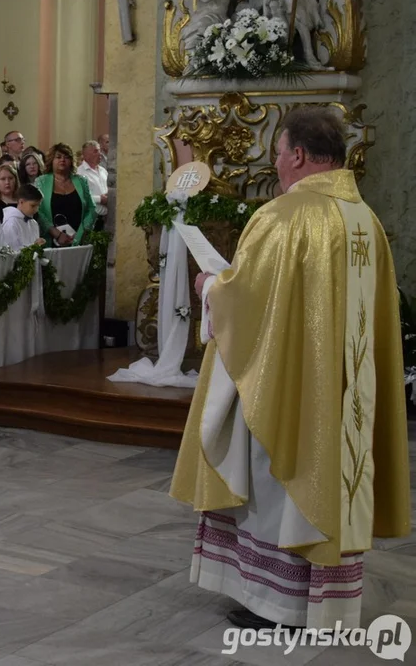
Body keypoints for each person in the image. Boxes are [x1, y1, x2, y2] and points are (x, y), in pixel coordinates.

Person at [170, 107, 411, 631]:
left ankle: (278, 605)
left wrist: (211, 288)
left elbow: (248, 303)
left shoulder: (283, 216)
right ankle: (326, 601)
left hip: (292, 393)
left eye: (278, 154)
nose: (277, 164)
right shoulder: (366, 222)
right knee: (337, 476)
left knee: (279, 480)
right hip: (349, 394)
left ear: (298, 154)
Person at [36, 142, 96, 246]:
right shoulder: (41, 181)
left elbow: (91, 208)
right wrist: (56, 234)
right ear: (52, 160)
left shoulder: (81, 181)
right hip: (52, 239)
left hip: (79, 238)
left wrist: (82, 232)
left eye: (66, 157)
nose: (62, 160)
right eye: (58, 157)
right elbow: (38, 211)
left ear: (71, 161)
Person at [2, 184, 46, 250]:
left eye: (38, 206)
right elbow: (12, 251)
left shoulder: (34, 223)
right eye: (33, 206)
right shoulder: (11, 223)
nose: (36, 210)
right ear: (21, 202)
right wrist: (34, 246)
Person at [77, 140, 109, 227]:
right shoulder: (80, 173)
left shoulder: (103, 171)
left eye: (100, 150)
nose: (100, 154)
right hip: (92, 219)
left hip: (107, 217)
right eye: (96, 151)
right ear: (86, 155)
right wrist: (100, 199)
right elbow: (79, 196)